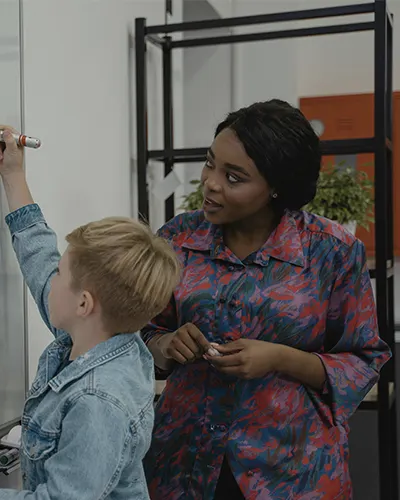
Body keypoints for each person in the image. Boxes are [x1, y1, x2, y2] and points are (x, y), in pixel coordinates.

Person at [142, 99, 392, 499]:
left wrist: (280, 358)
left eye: (234, 177)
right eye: (210, 163)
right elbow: (142, 330)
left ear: (276, 187)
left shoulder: (332, 252)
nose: (210, 183)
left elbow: (364, 361)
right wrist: (165, 345)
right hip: (183, 463)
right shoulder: (177, 239)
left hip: (291, 472)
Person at [0, 125, 182, 500]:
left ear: (83, 304)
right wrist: (13, 176)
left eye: (62, 272)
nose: (52, 276)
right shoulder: (101, 336)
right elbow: (39, 257)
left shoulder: (98, 402)